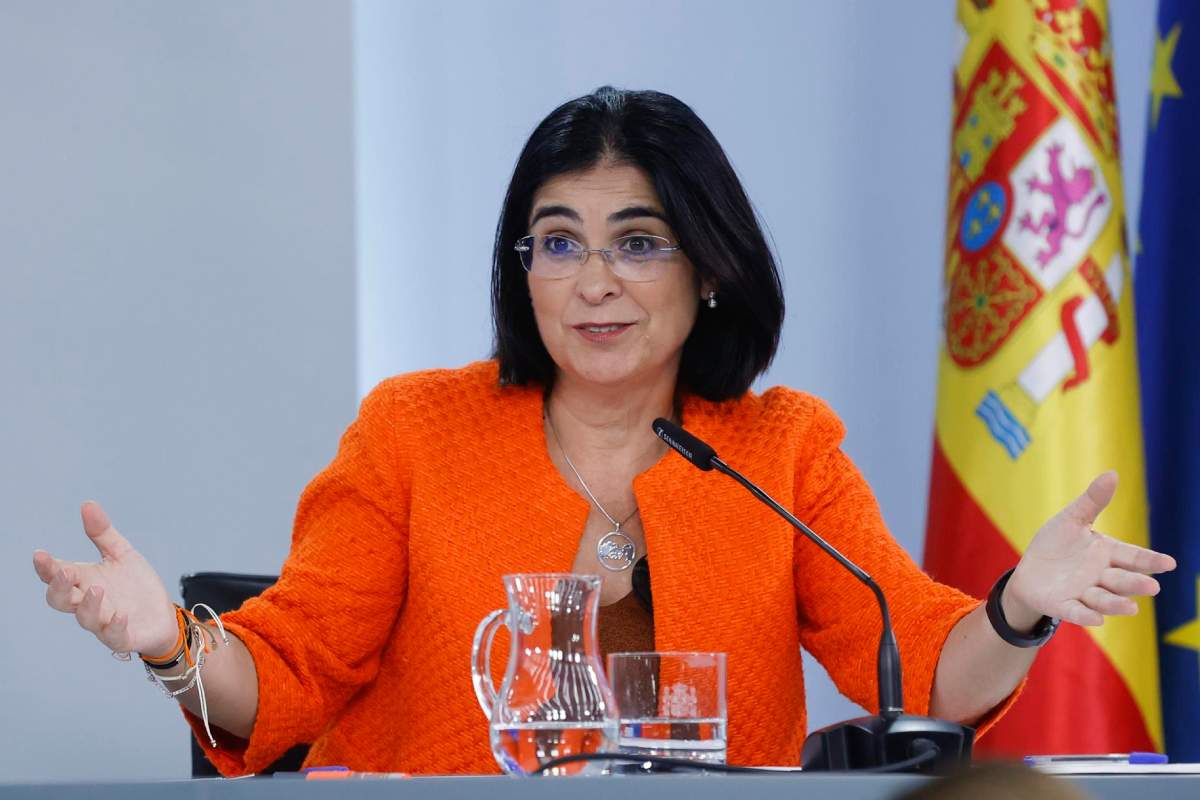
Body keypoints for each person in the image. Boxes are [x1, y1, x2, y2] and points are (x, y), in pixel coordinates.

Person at [32, 87, 1175, 776]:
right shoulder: (415, 429)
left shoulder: (780, 446)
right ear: (520, 266)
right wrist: (171, 641)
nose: (593, 281)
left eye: (638, 240)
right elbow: (281, 677)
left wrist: (1019, 608)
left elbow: (919, 663)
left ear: (710, 267)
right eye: (558, 241)